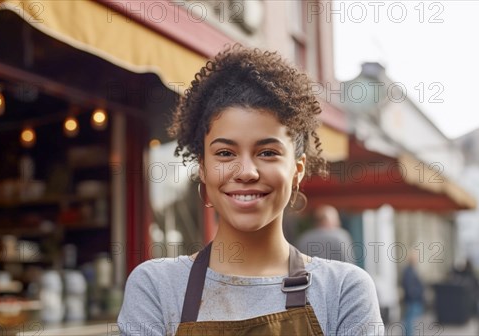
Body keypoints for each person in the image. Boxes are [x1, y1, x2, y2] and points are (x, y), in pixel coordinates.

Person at [117, 45, 384, 335]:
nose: (246, 171)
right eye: (225, 153)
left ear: (297, 169)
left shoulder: (343, 290)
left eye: (268, 152)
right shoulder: (156, 286)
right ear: (203, 168)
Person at [401, 252, 425, 336]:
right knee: (409, 320)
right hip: (411, 299)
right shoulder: (408, 271)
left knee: (410, 319)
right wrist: (415, 294)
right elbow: (409, 286)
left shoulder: (412, 269)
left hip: (413, 298)